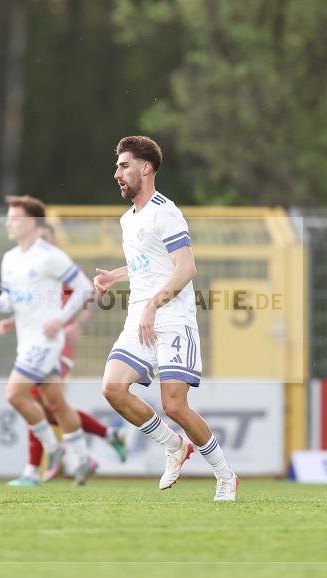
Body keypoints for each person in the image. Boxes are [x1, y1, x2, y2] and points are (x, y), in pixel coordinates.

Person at [94, 136, 239, 501]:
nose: (117, 174)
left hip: (172, 318)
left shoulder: (166, 211)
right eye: (116, 166)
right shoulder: (129, 220)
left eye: (124, 165)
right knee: (112, 388)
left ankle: (226, 475)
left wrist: (153, 305)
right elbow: (147, 262)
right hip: (139, 320)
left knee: (175, 405)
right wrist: (115, 275)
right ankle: (174, 445)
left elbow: (185, 267)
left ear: (146, 167)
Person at [0, 222, 128, 487]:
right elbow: (31, 308)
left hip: (58, 346)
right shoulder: (34, 271)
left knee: (32, 398)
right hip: (37, 343)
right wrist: (12, 321)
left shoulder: (59, 269)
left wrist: (76, 324)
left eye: (46, 238)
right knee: (49, 404)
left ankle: (34, 469)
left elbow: (86, 294)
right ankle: (99, 443)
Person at [0, 195, 97, 485]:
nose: (9, 223)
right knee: (57, 404)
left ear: (32, 223)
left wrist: (59, 320)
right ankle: (83, 459)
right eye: (8, 218)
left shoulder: (49, 255)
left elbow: (84, 288)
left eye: (15, 218)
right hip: (26, 341)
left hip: (46, 344)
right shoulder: (8, 259)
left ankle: (53, 448)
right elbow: (13, 300)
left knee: (14, 393)